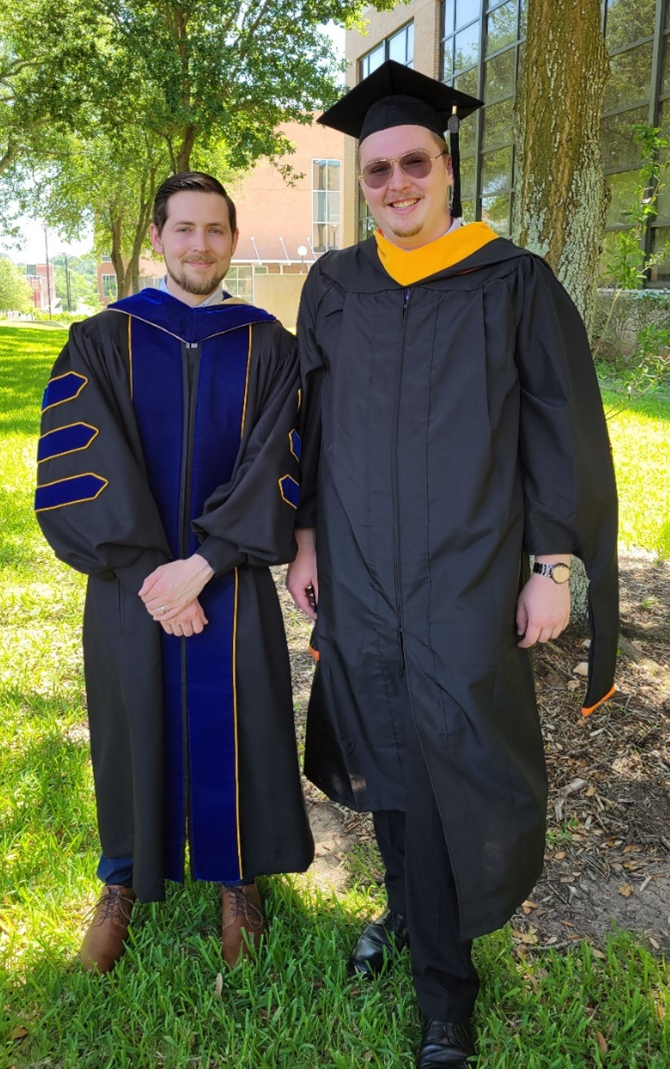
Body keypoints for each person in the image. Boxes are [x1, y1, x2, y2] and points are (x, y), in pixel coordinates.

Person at [287, 62, 618, 1068]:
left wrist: (551, 565)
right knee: (388, 749)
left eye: (413, 165)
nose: (394, 186)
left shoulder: (510, 279)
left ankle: (446, 989)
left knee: (457, 755)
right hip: (354, 565)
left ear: (447, 166)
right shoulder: (335, 285)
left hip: (465, 570)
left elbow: (561, 426)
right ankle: (418, 918)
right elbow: (305, 421)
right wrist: (301, 538)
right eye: (377, 169)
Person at [36, 171, 313, 974]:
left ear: (232, 239)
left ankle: (237, 881)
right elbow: (81, 463)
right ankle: (122, 879)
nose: (200, 244)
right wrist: (155, 572)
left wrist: (205, 563)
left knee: (243, 719)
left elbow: (280, 461)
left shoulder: (270, 344)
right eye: (184, 229)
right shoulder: (100, 337)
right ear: (157, 236)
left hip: (225, 577)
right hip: (134, 586)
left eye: (215, 230)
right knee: (129, 717)